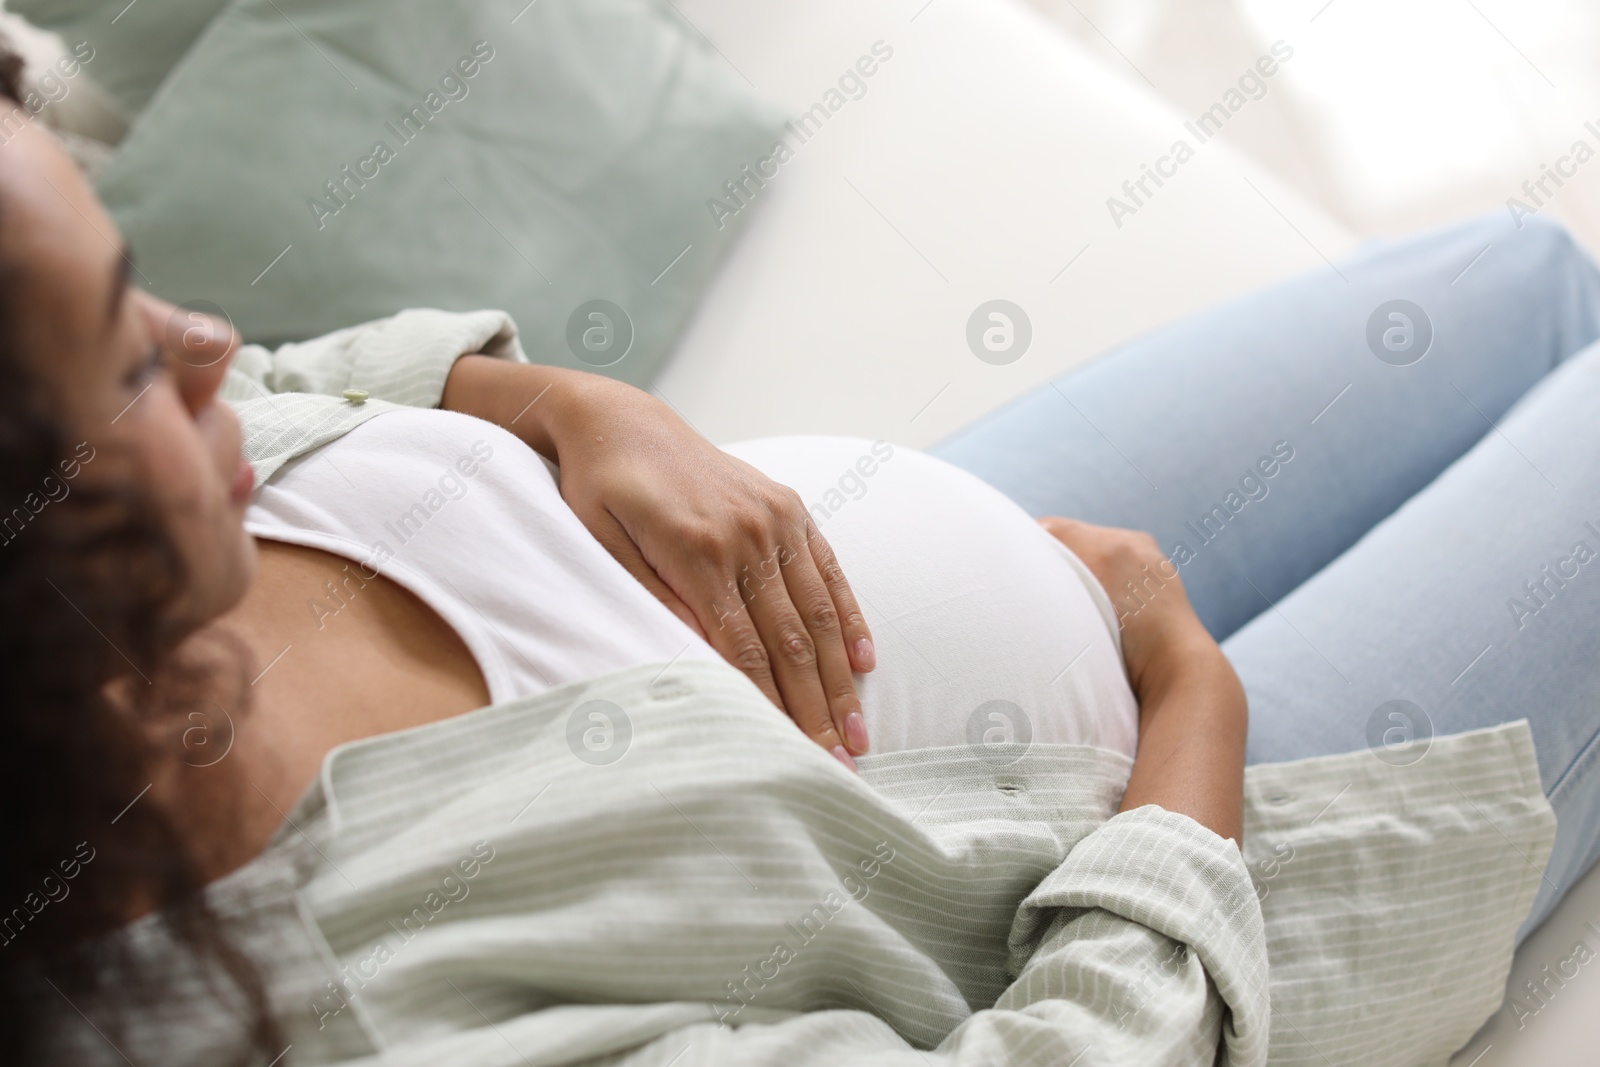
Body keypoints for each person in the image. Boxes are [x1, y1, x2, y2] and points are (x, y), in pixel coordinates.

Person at [0, 48, 1585, 1067]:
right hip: (1182, 862)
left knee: (1521, 270)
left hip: (922, 591)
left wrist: (564, 404)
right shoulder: (348, 1015)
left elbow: (276, 377)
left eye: (144, 278)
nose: (205, 336)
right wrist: (1193, 713)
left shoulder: (174, 506)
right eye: (126, 363)